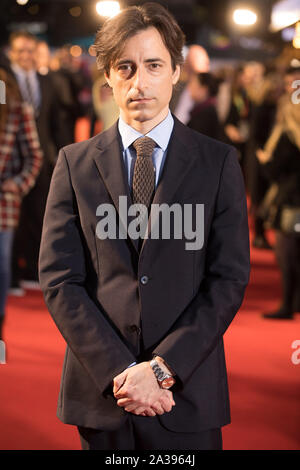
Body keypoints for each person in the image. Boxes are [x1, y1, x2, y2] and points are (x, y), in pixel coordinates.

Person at [39, 2, 250, 450]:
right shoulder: (74, 164)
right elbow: (61, 280)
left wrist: (161, 368)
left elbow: (228, 278)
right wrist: (122, 372)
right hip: (104, 395)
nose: (140, 83)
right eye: (126, 67)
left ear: (176, 71)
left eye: (154, 65)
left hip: (188, 390)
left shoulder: (218, 163)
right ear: (108, 77)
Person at [8, 31, 59, 287]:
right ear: (11, 53)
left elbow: (54, 121)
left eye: (29, 50)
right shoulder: (3, 83)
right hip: (11, 162)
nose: (25, 56)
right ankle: (13, 275)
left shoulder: (46, 81)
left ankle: (32, 269)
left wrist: (58, 153)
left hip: (42, 159)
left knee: (41, 215)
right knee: (12, 220)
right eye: (20, 51)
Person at [0, 67, 43, 363]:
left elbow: (34, 156)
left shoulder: (17, 111)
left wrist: (16, 185)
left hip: (3, 204)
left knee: (1, 269)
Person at [256, 66, 300, 320]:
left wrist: (264, 160)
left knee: (286, 254)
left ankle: (287, 304)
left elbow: (275, 172)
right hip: (294, 200)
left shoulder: (286, 137)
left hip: (289, 201)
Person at [187, 72, 222, 140]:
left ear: (204, 89)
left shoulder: (206, 113)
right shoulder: (204, 109)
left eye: (193, 84)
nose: (189, 88)